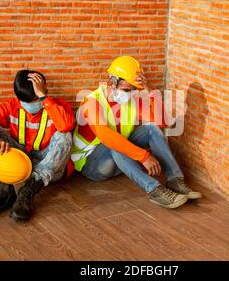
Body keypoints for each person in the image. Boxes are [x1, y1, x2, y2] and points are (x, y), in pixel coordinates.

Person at [70, 56, 202, 209]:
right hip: (92, 166)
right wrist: (143, 156)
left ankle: (175, 180)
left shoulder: (130, 101)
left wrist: (150, 89)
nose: (130, 94)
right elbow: (107, 137)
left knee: (151, 128)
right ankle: (155, 190)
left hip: (121, 160)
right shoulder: (92, 101)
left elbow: (162, 122)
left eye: (133, 90)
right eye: (126, 89)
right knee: (114, 144)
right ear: (111, 83)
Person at [0, 70, 75, 221]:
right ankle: (3, 192)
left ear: (44, 91)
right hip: (21, 162)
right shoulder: (12, 106)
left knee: (65, 135)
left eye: (34, 99)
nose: (30, 105)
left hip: (48, 168)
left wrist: (43, 97)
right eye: (25, 101)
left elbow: (66, 125)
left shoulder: (57, 106)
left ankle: (26, 194)